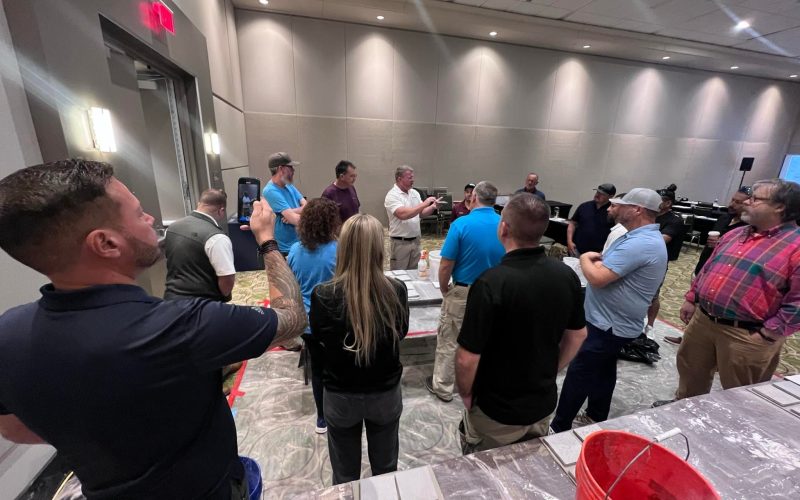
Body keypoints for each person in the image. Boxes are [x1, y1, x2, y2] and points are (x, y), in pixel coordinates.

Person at [0, 159, 307, 499]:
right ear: (105, 243)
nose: (151, 219)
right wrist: (266, 239)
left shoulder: (8, 334)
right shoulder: (183, 327)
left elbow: (11, 427)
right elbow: (292, 318)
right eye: (139, 212)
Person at [455, 193, 587, 453]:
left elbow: (466, 358)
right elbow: (578, 335)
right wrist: (552, 369)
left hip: (497, 411)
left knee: (487, 476)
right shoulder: (566, 275)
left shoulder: (490, 282)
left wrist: (466, 394)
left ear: (503, 227)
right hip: (542, 404)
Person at [663, 179, 800, 403]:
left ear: (780, 206)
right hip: (704, 321)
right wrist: (692, 299)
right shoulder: (736, 234)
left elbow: (797, 303)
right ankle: (685, 415)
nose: (747, 202)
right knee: (690, 376)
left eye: (755, 198)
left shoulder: (795, 245)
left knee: (740, 396)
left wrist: (769, 333)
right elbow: (707, 269)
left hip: (747, 334)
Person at [551, 188, 667, 432]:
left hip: (608, 324)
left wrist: (583, 259)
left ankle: (560, 426)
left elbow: (598, 277)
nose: (614, 208)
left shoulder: (642, 243)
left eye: (622, 205)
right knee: (604, 368)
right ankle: (596, 414)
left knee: (580, 371)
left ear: (637, 210)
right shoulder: (634, 236)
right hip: (610, 321)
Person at [310, 214, 409, 484]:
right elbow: (400, 333)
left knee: (344, 475)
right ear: (380, 248)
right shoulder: (396, 290)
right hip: (384, 393)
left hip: (341, 395)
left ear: (344, 247)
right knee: (386, 470)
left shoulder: (323, 294)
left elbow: (319, 340)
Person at [424, 182, 505, 403]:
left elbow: (445, 264)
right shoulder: (504, 225)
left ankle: (443, 387)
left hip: (463, 291)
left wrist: (444, 288)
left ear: (474, 197)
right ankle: (480, 383)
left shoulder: (461, 224)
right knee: (486, 339)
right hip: (494, 292)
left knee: (450, 339)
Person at [663, 186, 751, 345]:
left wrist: (723, 244)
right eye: (733, 199)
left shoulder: (748, 228)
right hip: (705, 265)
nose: (732, 204)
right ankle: (688, 337)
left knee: (709, 309)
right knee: (696, 304)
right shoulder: (725, 217)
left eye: (738, 202)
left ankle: (702, 342)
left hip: (725, 273)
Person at [287, 198, 341, 434]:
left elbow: (293, 285)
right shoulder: (338, 250)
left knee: (318, 369)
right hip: (334, 320)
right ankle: (341, 412)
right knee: (338, 367)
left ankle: (322, 419)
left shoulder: (294, 251)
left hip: (307, 323)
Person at [163, 189, 236, 303]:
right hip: (203, 306)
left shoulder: (171, 228)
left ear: (199, 204)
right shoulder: (217, 238)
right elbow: (227, 278)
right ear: (221, 210)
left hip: (171, 300)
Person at [644, 186, 686, 338]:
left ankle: (650, 325)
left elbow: (663, 240)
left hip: (658, 262)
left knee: (653, 295)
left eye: (659, 200)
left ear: (668, 203)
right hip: (641, 258)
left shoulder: (674, 220)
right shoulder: (651, 215)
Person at [384, 165, 440, 270]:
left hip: (416, 241)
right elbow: (403, 214)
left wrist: (433, 207)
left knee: (415, 273)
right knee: (399, 275)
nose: (413, 180)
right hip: (400, 243)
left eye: (413, 177)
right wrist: (426, 202)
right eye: (409, 178)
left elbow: (421, 213)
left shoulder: (414, 193)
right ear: (399, 179)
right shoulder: (392, 195)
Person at [263, 152, 306, 255]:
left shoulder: (288, 185)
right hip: (286, 249)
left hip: (299, 243)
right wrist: (299, 213)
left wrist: (291, 212)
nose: (293, 170)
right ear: (281, 169)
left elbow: (307, 206)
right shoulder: (270, 191)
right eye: (290, 167)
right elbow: (295, 220)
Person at [567, 183, 616, 256]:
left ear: (611, 197)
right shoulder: (584, 206)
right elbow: (572, 223)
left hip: (596, 254)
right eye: (597, 192)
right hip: (576, 249)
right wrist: (569, 241)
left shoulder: (613, 211)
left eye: (602, 194)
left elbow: (615, 234)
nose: (597, 195)